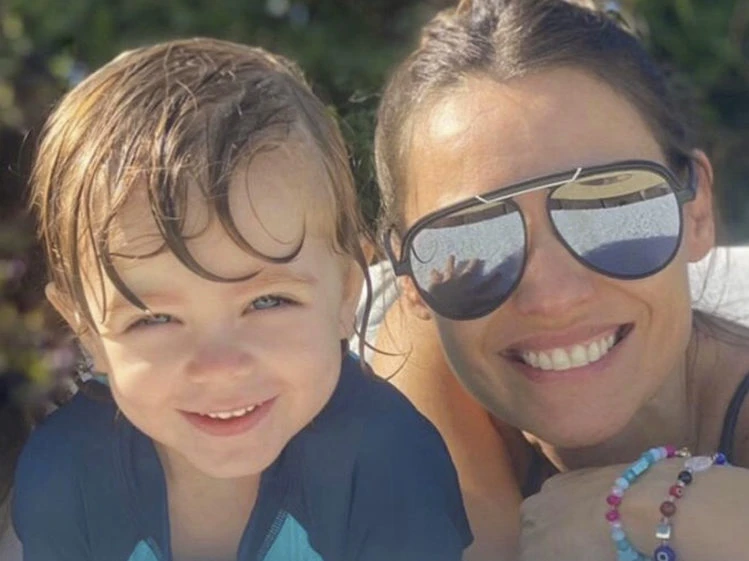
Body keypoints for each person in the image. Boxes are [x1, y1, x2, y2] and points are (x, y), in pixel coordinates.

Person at [12, 38, 472, 561]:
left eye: (268, 302)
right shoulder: (66, 476)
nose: (221, 367)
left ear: (346, 294)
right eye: (155, 318)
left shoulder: (389, 465)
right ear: (85, 329)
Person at [367, 0, 749, 559]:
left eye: (612, 208)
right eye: (472, 240)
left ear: (696, 213)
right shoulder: (438, 326)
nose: (552, 297)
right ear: (410, 280)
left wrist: (657, 505)